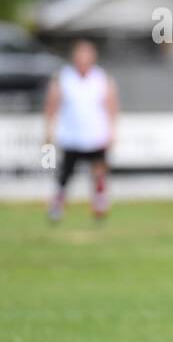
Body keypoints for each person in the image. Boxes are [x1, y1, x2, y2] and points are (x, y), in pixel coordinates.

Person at [44, 39, 118, 223]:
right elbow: (52, 104)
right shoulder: (64, 77)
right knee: (65, 174)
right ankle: (57, 206)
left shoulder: (102, 77)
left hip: (96, 135)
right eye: (80, 54)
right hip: (71, 135)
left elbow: (111, 105)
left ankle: (99, 204)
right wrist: (48, 130)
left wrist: (112, 130)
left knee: (99, 172)